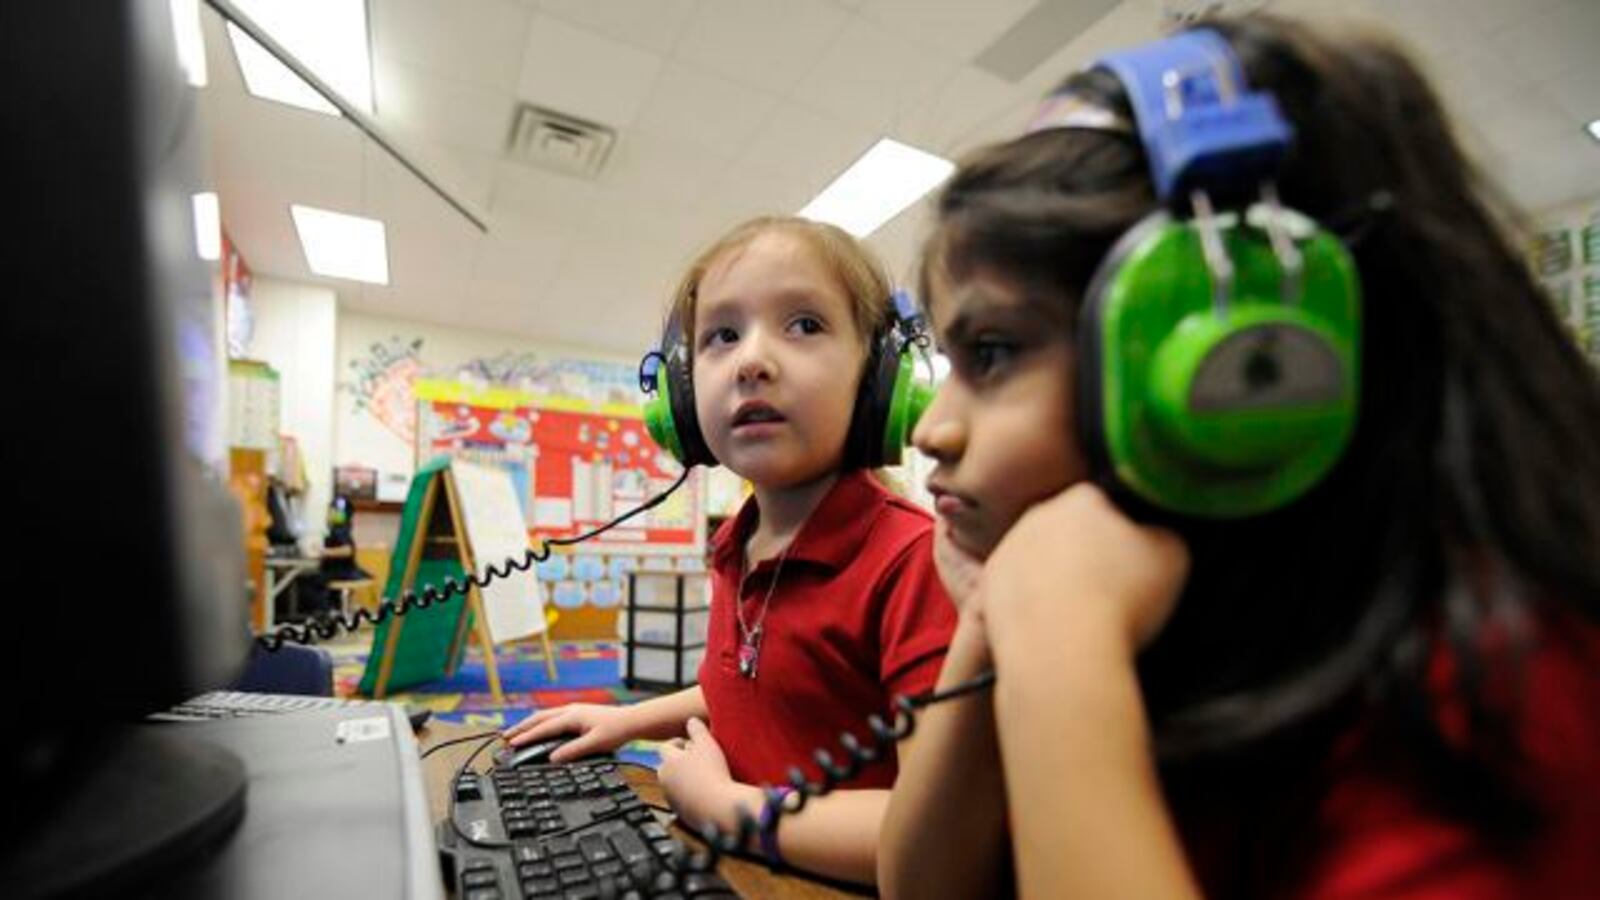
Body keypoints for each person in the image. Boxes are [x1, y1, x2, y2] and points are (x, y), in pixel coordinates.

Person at [879, 14, 1600, 898]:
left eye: (992, 352)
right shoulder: (1175, 619)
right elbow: (921, 885)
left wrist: (1056, 641)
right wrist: (1004, 630)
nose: (931, 431)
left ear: (1253, 362)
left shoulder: (1501, 697)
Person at [506, 216, 957, 884]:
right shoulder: (737, 543)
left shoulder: (912, 560)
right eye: (722, 335)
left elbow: (941, 836)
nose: (752, 360)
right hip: (743, 873)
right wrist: (627, 720)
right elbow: (752, 690)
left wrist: (723, 805)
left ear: (878, 378)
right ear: (683, 398)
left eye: (804, 324)